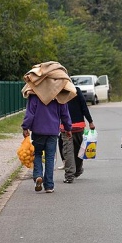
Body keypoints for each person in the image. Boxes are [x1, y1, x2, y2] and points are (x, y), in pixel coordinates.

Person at [21, 61, 74, 193]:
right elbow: (65, 114)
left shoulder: (34, 95)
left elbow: (30, 113)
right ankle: (49, 186)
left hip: (38, 131)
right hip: (52, 131)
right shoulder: (59, 95)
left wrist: (25, 127)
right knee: (50, 157)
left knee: (37, 154)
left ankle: (38, 175)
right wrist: (68, 129)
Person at [58, 86, 95, 183]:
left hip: (65, 127)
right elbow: (84, 106)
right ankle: (77, 171)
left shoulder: (58, 92)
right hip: (79, 126)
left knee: (68, 151)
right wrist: (90, 121)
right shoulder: (76, 90)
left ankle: (70, 175)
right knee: (79, 150)